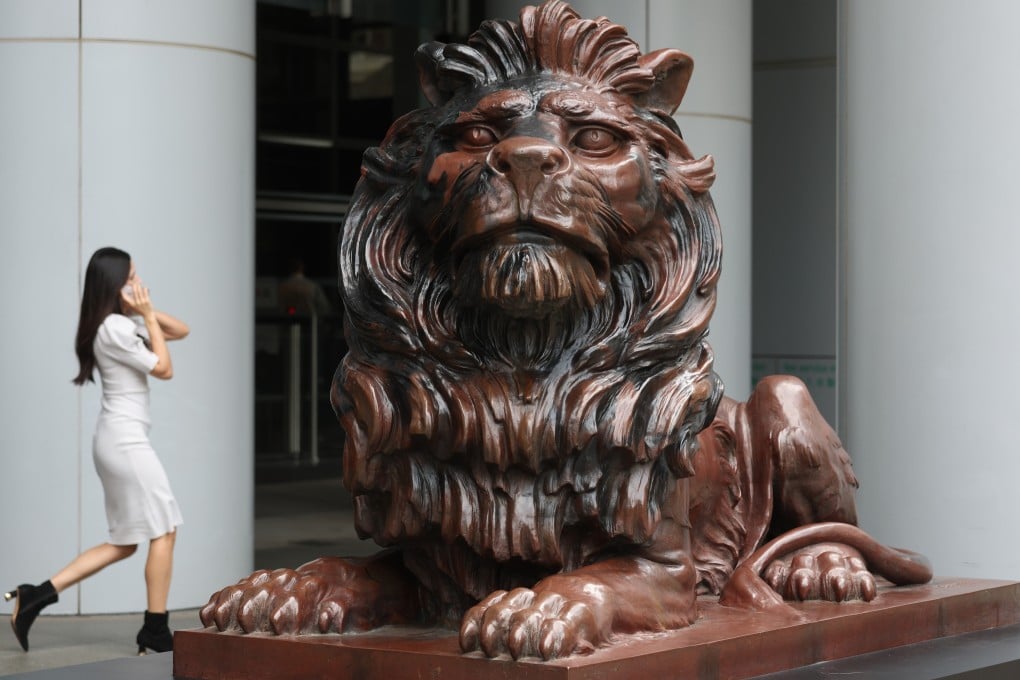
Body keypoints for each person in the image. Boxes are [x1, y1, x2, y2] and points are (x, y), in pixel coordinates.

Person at [4, 246, 189, 655]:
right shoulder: (116, 329)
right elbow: (165, 368)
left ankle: (35, 596)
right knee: (165, 530)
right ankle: (154, 634)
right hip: (125, 442)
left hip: (117, 440)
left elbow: (180, 330)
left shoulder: (119, 324)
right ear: (112, 284)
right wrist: (143, 312)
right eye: (130, 278)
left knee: (125, 543)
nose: (138, 284)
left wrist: (144, 308)